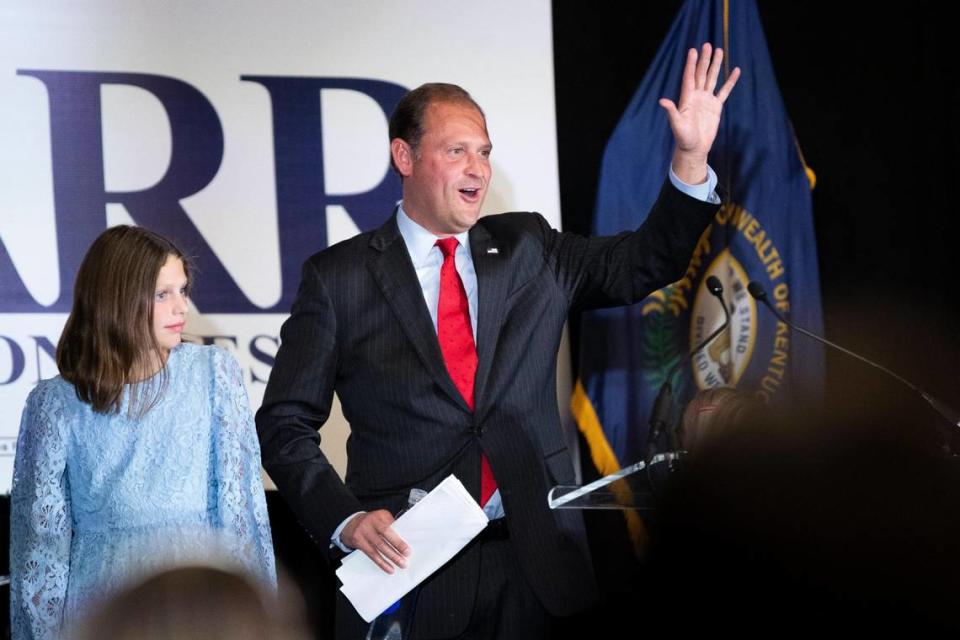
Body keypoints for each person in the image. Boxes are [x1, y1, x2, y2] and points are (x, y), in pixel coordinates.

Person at [257, 43, 739, 638]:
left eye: (483, 152)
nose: (478, 169)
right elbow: (284, 425)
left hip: (537, 568)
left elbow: (643, 262)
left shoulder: (529, 247)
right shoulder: (340, 279)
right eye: (457, 151)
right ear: (403, 156)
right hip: (412, 572)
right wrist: (346, 519)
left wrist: (691, 158)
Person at [9, 225, 277, 640]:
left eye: (183, 290)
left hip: (200, 604)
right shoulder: (55, 403)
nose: (181, 308)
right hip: (104, 607)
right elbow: (41, 554)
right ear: (117, 301)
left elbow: (243, 518)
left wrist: (257, 620)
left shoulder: (213, 374)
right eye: (162, 294)